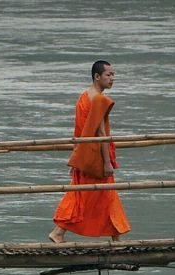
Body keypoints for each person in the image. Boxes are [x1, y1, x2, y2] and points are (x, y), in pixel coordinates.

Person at [49, 60, 132, 243]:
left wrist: (77, 154)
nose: (112, 79)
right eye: (108, 75)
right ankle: (59, 231)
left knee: (96, 194)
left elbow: (80, 129)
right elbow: (100, 133)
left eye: (113, 75)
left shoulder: (85, 96)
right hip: (95, 158)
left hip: (85, 154)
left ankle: (115, 236)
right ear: (97, 76)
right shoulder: (98, 99)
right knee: (91, 195)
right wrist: (107, 161)